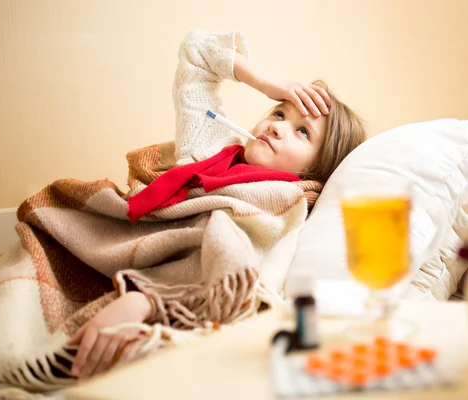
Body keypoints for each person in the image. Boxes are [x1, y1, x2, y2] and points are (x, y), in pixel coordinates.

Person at [67, 30, 367, 381]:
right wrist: (268, 83)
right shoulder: (209, 148)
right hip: (123, 251)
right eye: (280, 112)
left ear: (319, 167)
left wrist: (145, 299)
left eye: (303, 132)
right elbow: (195, 53)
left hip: (175, 301)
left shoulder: (293, 207)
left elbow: (241, 273)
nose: (277, 127)